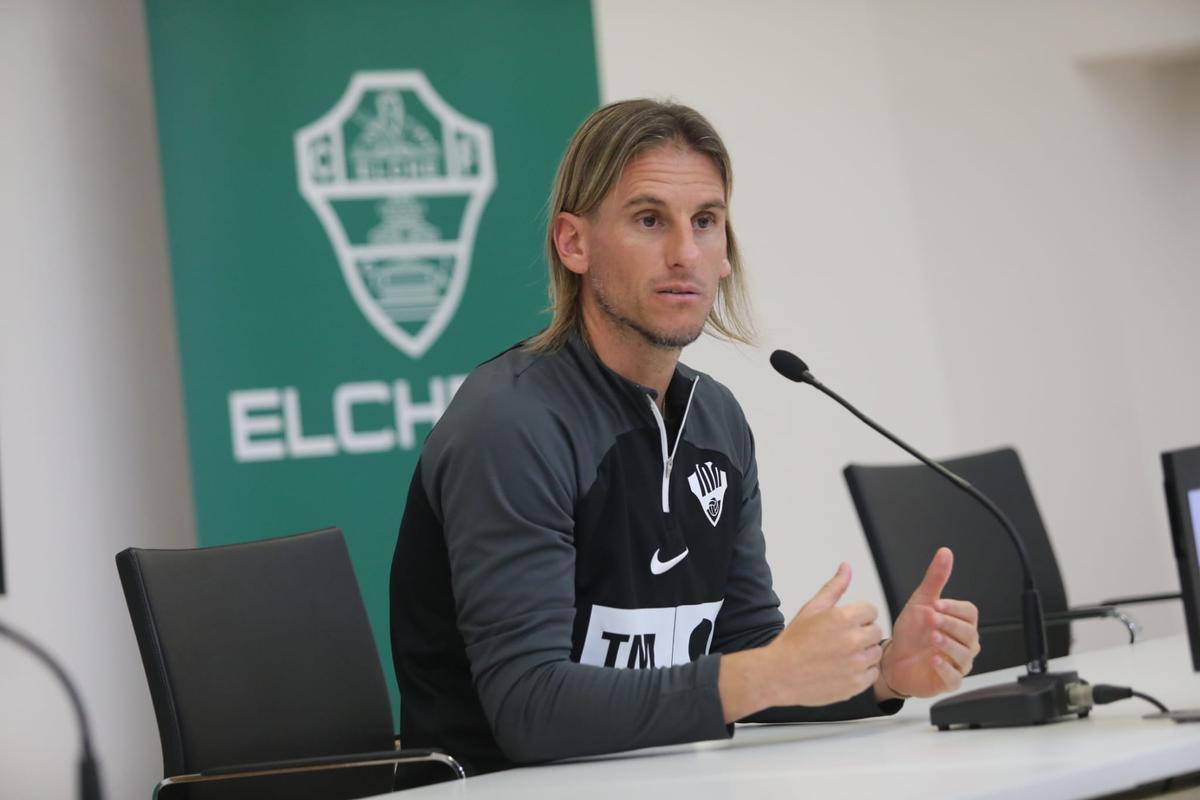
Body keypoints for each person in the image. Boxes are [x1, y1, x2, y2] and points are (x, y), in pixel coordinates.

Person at [389, 99, 981, 782]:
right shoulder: (513, 423)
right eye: (649, 220)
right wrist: (764, 673)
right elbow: (530, 709)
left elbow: (742, 645)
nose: (684, 254)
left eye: (706, 222)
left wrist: (880, 675)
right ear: (573, 243)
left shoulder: (716, 420)